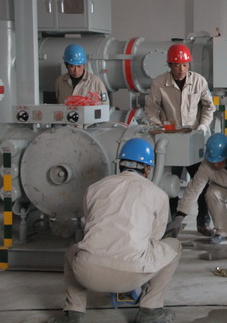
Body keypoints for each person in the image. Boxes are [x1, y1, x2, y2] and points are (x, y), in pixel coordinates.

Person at [48, 138, 181, 323]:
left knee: (72, 251)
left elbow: (90, 225)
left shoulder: (94, 188)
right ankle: (150, 311)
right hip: (133, 274)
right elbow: (155, 237)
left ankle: (73, 314)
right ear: (148, 168)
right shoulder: (158, 194)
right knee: (174, 246)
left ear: (119, 163)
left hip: (88, 272)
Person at [145, 43, 216, 236]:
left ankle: (203, 221)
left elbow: (209, 106)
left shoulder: (199, 81)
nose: (181, 69)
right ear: (169, 65)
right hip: (171, 140)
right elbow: (151, 108)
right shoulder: (159, 83)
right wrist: (159, 125)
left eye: (185, 65)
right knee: (169, 183)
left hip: (194, 139)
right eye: (177, 65)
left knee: (201, 182)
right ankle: (171, 223)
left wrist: (203, 125)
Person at [165, 133, 227, 244]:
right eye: (213, 162)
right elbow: (194, 189)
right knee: (211, 193)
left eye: (219, 161)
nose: (215, 165)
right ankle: (224, 231)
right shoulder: (206, 165)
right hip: (225, 185)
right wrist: (180, 216)